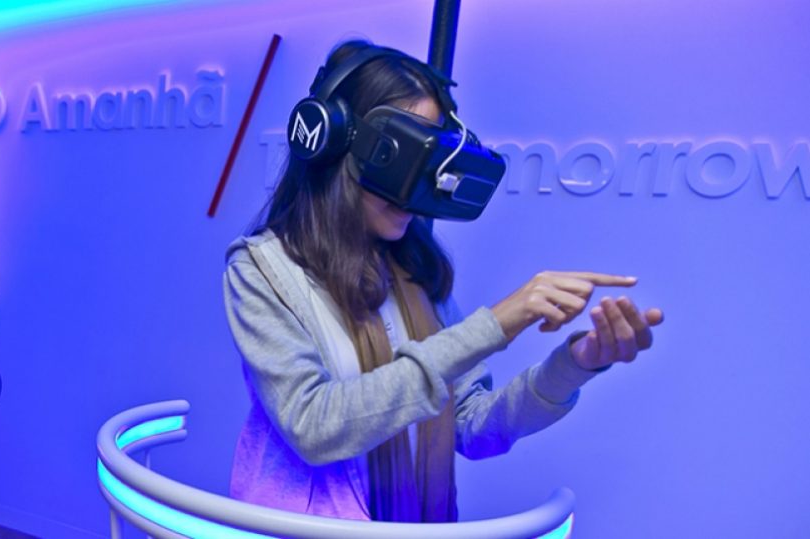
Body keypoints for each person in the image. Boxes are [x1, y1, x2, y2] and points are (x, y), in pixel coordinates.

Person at [223, 39, 664, 523]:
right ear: (332, 144)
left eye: (428, 160)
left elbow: (471, 425)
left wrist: (576, 364)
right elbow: (313, 426)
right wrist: (494, 325)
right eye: (398, 158)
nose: (414, 187)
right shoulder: (261, 269)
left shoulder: (415, 269)